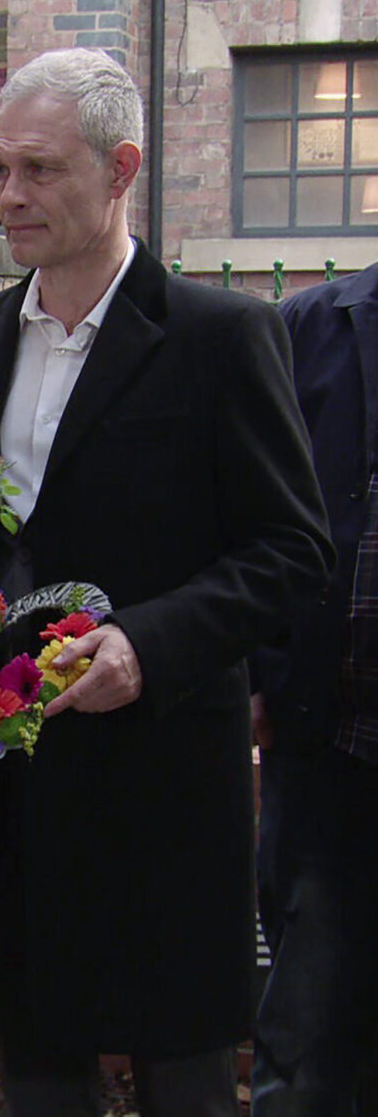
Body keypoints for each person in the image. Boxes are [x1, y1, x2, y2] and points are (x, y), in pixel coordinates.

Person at [0, 48, 333, 1116]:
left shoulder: (221, 335)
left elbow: (291, 548)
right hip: (15, 788)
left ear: (123, 169)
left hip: (164, 793)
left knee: (186, 1086)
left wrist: (145, 643)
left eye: (42, 170)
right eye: (1, 167)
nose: (11, 195)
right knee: (41, 1087)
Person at [248, 259, 378, 1115]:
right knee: (311, 1047)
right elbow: (249, 514)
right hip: (335, 747)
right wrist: (261, 672)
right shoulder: (312, 328)